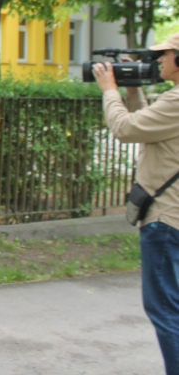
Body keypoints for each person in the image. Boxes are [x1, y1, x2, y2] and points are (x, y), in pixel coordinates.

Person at [93, 36, 179, 375]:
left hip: (166, 221)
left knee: (165, 309)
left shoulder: (176, 101)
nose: (158, 61)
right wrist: (132, 89)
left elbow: (126, 128)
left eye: (164, 55)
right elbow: (150, 126)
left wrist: (109, 90)